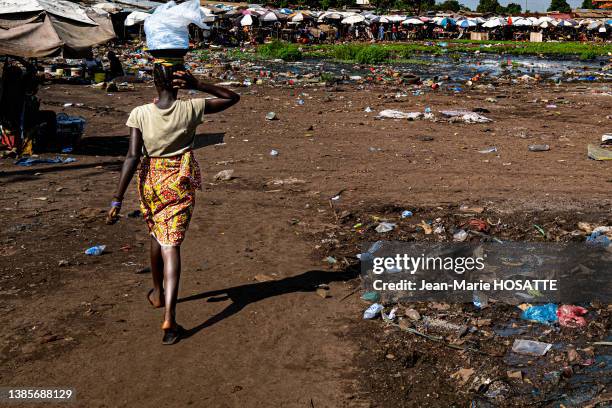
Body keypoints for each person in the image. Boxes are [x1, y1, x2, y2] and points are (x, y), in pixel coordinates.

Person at [106, 62, 240, 344]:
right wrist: (199, 85)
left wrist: (117, 199)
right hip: (179, 178)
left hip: (151, 180)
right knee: (170, 243)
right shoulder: (191, 108)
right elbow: (232, 97)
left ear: (154, 82)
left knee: (158, 233)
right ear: (181, 82)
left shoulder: (140, 113)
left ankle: (158, 294)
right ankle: (169, 317)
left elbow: (131, 157)